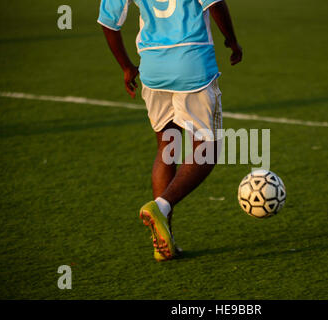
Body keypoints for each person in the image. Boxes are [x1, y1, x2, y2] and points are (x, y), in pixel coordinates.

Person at [98, 0, 242, 261]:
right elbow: (215, 3)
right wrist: (232, 40)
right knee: (207, 149)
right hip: (193, 63)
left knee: (167, 146)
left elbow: (109, 23)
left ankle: (165, 240)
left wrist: (127, 66)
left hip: (153, 68)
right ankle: (161, 207)